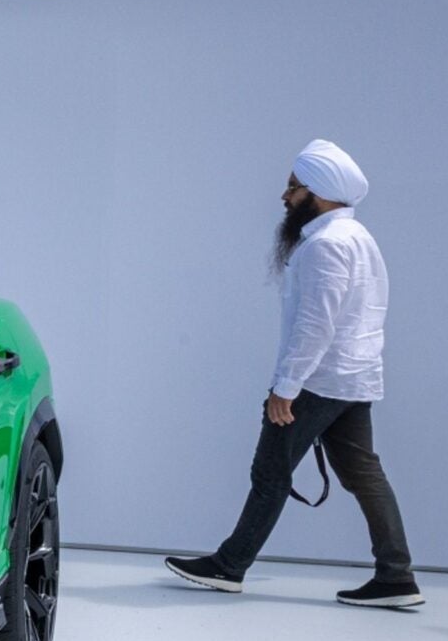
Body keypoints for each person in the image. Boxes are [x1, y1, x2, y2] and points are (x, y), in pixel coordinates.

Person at [166, 139, 419, 608]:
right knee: (365, 475)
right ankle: (396, 577)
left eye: (293, 187)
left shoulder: (326, 245)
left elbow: (316, 324)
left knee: (270, 473)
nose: (285, 197)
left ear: (317, 193)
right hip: (352, 380)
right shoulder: (359, 238)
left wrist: (285, 389)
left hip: (317, 382)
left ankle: (229, 566)